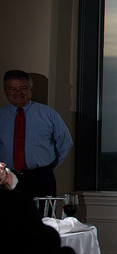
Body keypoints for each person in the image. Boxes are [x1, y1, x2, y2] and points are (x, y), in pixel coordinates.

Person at [0, 70, 73, 198]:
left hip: (41, 178)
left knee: (43, 217)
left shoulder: (48, 114)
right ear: (5, 91)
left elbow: (65, 143)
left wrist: (47, 166)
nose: (18, 93)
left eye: (23, 88)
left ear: (31, 89)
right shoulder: (1, 116)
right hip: (7, 179)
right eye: (13, 89)